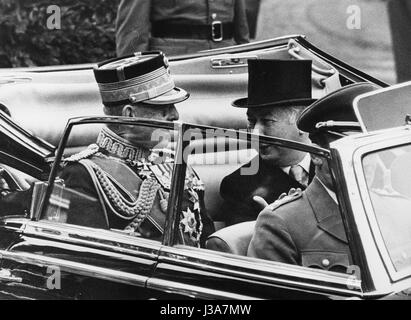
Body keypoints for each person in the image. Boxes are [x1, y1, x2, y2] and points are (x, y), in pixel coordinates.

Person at [59, 52, 214, 248]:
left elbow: (205, 238)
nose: (175, 115)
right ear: (130, 115)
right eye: (163, 109)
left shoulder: (173, 161)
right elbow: (88, 259)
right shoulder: (83, 174)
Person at [247, 82, 378, 272]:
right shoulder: (282, 223)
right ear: (317, 155)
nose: (369, 159)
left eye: (373, 148)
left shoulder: (396, 206)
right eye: (354, 149)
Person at [219, 59, 316, 226]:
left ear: (302, 122)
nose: (255, 132)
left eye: (267, 121)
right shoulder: (240, 186)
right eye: (251, 122)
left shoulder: (334, 167)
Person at [115, 0, 250, 57]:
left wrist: (245, 55)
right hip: (176, 64)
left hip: (226, 59)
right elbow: (132, 33)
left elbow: (241, 28)